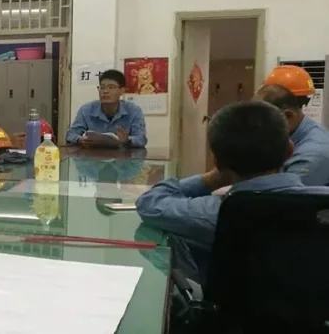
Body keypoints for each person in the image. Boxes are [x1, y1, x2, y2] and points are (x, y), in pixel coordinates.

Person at [135, 101, 329, 276]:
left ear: (216, 162)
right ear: (290, 150)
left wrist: (209, 180)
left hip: (231, 306)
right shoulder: (323, 206)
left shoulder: (216, 211)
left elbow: (150, 202)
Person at [257, 66, 329, 186]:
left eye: (264, 120)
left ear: (288, 115)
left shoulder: (311, 155)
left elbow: (280, 195)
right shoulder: (288, 133)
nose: (260, 127)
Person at [65, 69, 147, 148]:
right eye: (102, 87)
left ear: (122, 90)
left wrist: (127, 140)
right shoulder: (86, 109)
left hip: (123, 155)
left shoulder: (134, 110)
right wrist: (79, 139)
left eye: (111, 87)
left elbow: (141, 139)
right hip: (93, 155)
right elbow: (71, 134)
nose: (105, 91)